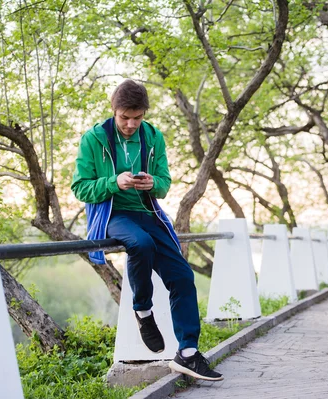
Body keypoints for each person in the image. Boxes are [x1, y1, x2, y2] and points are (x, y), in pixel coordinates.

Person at [71, 79, 223, 381]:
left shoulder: (153, 137)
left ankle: (188, 354)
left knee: (183, 277)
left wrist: (154, 183)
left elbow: (165, 183)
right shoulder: (94, 139)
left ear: (144, 114)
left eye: (136, 118)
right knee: (140, 244)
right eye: (124, 117)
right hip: (115, 214)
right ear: (114, 111)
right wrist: (115, 181)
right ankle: (142, 310)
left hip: (149, 214)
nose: (130, 124)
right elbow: (80, 187)